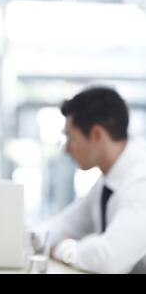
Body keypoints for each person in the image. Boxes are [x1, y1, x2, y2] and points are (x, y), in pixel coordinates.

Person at [38, 86, 146, 273]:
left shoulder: (140, 181)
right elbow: (68, 223)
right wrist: (32, 239)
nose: (66, 150)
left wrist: (63, 250)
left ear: (96, 134)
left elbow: (109, 259)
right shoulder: (109, 179)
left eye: (71, 138)